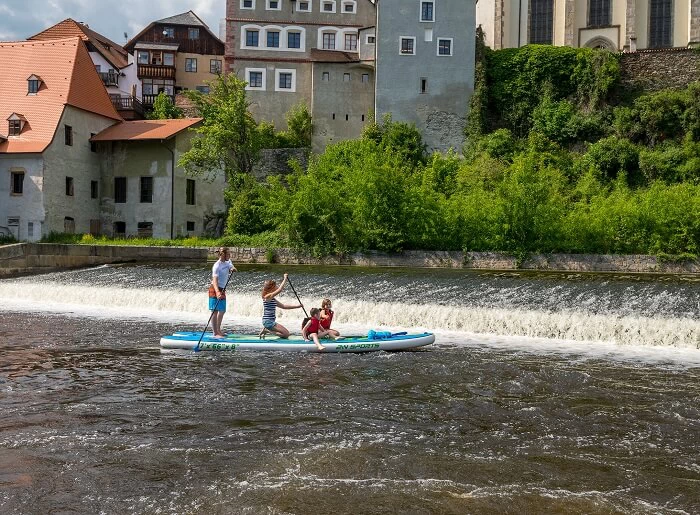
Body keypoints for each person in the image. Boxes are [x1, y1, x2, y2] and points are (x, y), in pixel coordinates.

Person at [260, 273, 303, 339]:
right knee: (286, 334)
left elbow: (283, 306)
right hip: (268, 322)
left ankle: (267, 330)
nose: (277, 287)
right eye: (275, 286)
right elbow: (280, 289)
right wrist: (285, 278)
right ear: (271, 288)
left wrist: (297, 306)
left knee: (285, 334)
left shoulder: (272, 299)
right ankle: (267, 331)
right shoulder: (268, 297)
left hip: (269, 322)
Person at [209, 247, 237, 338]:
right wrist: (217, 292)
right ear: (223, 255)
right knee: (215, 311)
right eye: (228, 254)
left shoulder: (228, 261)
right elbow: (215, 280)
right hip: (215, 289)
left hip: (223, 289)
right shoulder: (217, 265)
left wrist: (233, 269)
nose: (230, 256)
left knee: (222, 310)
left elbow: (231, 266)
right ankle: (215, 333)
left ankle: (218, 330)